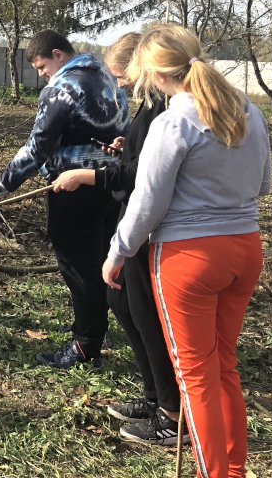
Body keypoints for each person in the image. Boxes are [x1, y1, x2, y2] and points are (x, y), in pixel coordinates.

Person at [104, 24, 271, 478]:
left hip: (189, 259)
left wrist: (119, 251)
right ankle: (233, 467)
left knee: (195, 375)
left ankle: (213, 473)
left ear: (157, 75)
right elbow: (262, 184)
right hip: (245, 248)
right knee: (223, 366)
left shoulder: (173, 121)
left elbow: (147, 200)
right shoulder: (248, 111)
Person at [52, 33, 184, 446]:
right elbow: (141, 158)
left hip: (154, 225)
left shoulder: (170, 108)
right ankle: (155, 397)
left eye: (121, 76)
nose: (119, 86)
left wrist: (85, 175)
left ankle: (172, 413)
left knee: (140, 309)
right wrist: (128, 146)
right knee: (122, 301)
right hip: (141, 220)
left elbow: (144, 177)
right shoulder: (152, 105)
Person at [0, 30, 127, 367]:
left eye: (42, 65)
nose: (42, 73)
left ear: (58, 54)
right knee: (100, 259)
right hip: (110, 185)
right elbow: (123, 129)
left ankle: (86, 348)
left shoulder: (62, 87)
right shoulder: (106, 77)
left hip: (73, 188)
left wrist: (0, 186)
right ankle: (92, 327)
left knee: (77, 265)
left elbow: (38, 146)